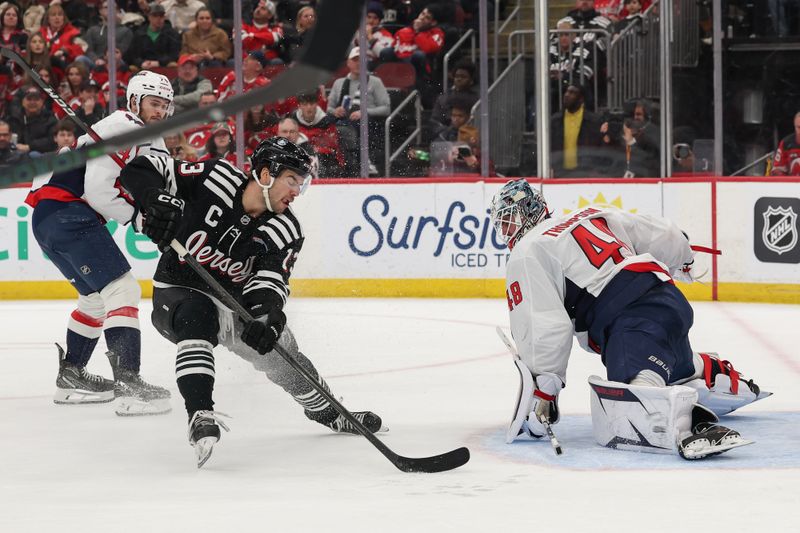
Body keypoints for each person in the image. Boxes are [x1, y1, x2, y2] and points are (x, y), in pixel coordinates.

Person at [118, 137, 385, 467]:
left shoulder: (286, 228)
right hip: (177, 289)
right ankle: (200, 413)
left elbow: (270, 281)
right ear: (265, 174)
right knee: (197, 318)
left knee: (281, 356)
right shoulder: (213, 177)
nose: (297, 191)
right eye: (292, 180)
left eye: (302, 184)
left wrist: (264, 316)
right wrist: (153, 198)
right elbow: (141, 169)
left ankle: (327, 411)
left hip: (236, 304)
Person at [490, 179, 771, 460]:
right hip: (666, 298)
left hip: (628, 319)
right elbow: (659, 232)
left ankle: (693, 423)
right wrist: (684, 257)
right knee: (664, 359)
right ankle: (704, 369)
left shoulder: (527, 251)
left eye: (507, 221)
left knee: (633, 398)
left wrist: (545, 394)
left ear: (526, 212)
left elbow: (544, 326)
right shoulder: (587, 213)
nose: (505, 231)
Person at [24, 71, 175, 416]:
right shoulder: (125, 127)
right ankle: (128, 383)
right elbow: (98, 191)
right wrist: (139, 220)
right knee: (122, 291)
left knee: (93, 299)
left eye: (165, 106)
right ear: (135, 102)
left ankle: (72, 375)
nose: (160, 112)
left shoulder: (126, 130)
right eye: (154, 104)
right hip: (69, 214)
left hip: (49, 219)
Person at [549, 84, 605, 177]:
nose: (567, 95)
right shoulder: (555, 120)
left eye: (572, 93)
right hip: (559, 173)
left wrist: (596, 169)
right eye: (566, 92)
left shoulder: (593, 121)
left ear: (581, 99)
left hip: (585, 173)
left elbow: (599, 147)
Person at [7, 85, 57, 155]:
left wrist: (30, 147)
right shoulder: (14, 118)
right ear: (22, 102)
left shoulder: (50, 119)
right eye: (29, 99)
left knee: (34, 154)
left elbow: (52, 140)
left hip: (41, 156)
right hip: (15, 154)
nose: (32, 102)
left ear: (42, 102)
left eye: (36, 99)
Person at [129, 3, 181, 69]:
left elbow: (174, 54)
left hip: (165, 68)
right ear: (149, 17)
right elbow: (133, 55)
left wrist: (159, 62)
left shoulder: (172, 34)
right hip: (143, 68)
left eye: (161, 16)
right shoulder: (139, 34)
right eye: (155, 15)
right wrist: (141, 63)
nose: (158, 18)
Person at [771, 111, 800, 176]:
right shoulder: (786, 143)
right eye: (799, 127)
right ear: (794, 126)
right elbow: (777, 169)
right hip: (791, 184)